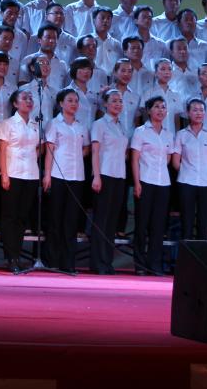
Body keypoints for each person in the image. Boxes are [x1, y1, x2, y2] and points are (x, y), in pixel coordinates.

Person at [42, 88, 90, 273]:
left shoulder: (81, 126)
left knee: (71, 220)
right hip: (57, 175)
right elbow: (49, 150)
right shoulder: (54, 124)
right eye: (70, 100)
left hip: (77, 176)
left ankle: (68, 262)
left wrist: (75, 155)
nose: (74, 104)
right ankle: (52, 260)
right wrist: (47, 175)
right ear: (61, 103)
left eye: (76, 101)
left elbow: (86, 148)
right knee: (55, 219)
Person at [0, 89, 42, 273]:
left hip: (31, 174)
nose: (29, 101)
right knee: (10, 217)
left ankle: (17, 255)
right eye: (24, 98)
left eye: (30, 98)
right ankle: (10, 257)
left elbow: (38, 149)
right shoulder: (8, 124)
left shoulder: (36, 124)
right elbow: (2, 150)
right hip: (13, 173)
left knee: (22, 218)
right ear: (15, 104)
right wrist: (4, 174)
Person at [130, 96, 175, 275]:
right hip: (145, 181)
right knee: (142, 224)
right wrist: (137, 182)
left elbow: (168, 158)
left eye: (163, 107)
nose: (160, 110)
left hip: (163, 183)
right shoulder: (141, 131)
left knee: (158, 226)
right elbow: (135, 159)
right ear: (149, 110)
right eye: (157, 107)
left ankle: (154, 264)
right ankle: (140, 264)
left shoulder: (168, 134)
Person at [90, 89, 129, 274]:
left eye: (120, 101)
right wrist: (96, 176)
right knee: (101, 220)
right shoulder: (99, 124)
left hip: (119, 175)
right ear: (105, 104)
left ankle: (107, 261)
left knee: (112, 221)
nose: (117, 104)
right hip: (104, 174)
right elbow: (95, 152)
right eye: (113, 101)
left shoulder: (122, 126)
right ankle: (97, 262)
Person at [173, 98, 207, 241]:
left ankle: (201, 254)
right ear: (188, 113)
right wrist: (187, 171)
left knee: (204, 224)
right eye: (195, 110)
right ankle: (185, 254)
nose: (198, 113)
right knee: (186, 223)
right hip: (186, 183)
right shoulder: (181, 134)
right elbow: (176, 162)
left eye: (201, 110)